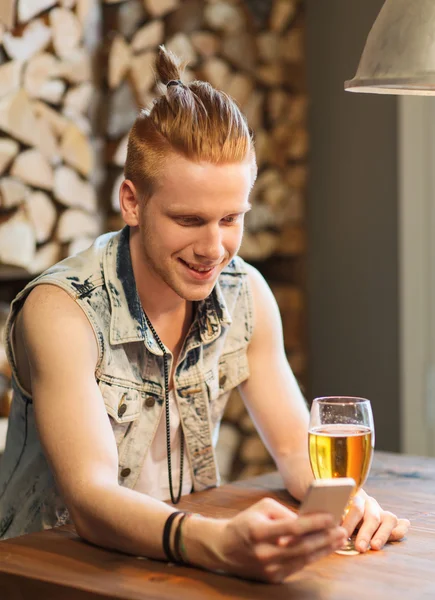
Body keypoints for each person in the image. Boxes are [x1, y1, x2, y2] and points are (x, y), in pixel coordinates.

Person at [0, 47, 409, 583]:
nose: (214, 248)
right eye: (190, 219)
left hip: (170, 572)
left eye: (230, 218)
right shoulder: (61, 310)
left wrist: (345, 503)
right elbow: (91, 497)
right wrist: (214, 540)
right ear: (131, 201)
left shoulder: (246, 294)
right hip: (48, 578)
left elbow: (292, 446)